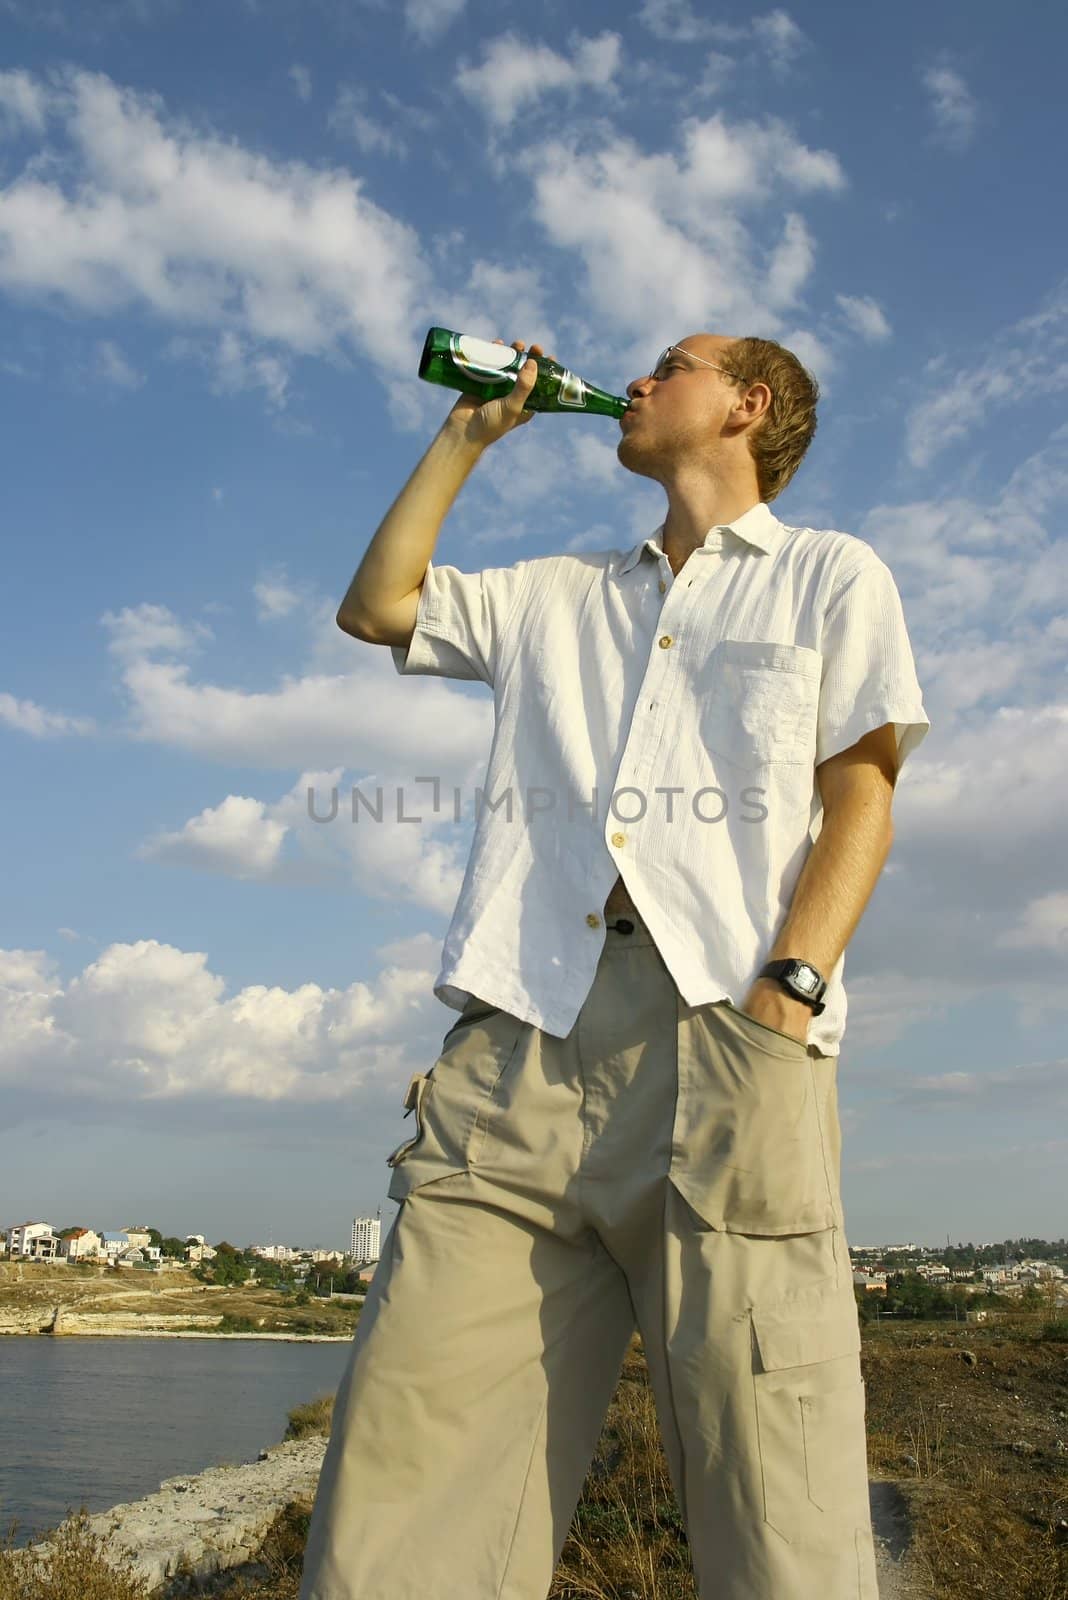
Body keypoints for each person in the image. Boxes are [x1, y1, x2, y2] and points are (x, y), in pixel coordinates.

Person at [298, 332, 930, 1600]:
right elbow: (377, 606)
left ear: (748, 405)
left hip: (729, 1048)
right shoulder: (559, 592)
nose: (632, 382)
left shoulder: (828, 576)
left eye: (668, 363)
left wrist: (787, 994)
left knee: (779, 1499)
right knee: (401, 1486)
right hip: (516, 1046)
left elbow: (861, 791)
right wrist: (470, 434)